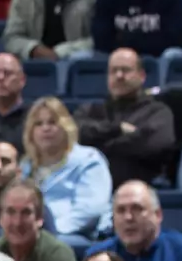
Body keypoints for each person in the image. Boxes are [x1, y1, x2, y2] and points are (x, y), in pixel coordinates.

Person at [75, 49, 175, 188]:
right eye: (113, 71)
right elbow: (74, 134)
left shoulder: (157, 111)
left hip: (140, 190)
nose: (119, 75)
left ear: (142, 76)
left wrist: (99, 145)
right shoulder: (91, 110)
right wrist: (117, 129)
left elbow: (154, 146)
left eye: (126, 70)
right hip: (92, 189)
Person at [23, 97, 112, 244]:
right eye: (38, 124)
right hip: (34, 233)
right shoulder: (26, 166)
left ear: (66, 126)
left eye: (52, 122)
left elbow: (91, 210)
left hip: (78, 235)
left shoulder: (88, 159)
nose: (46, 128)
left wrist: (50, 231)